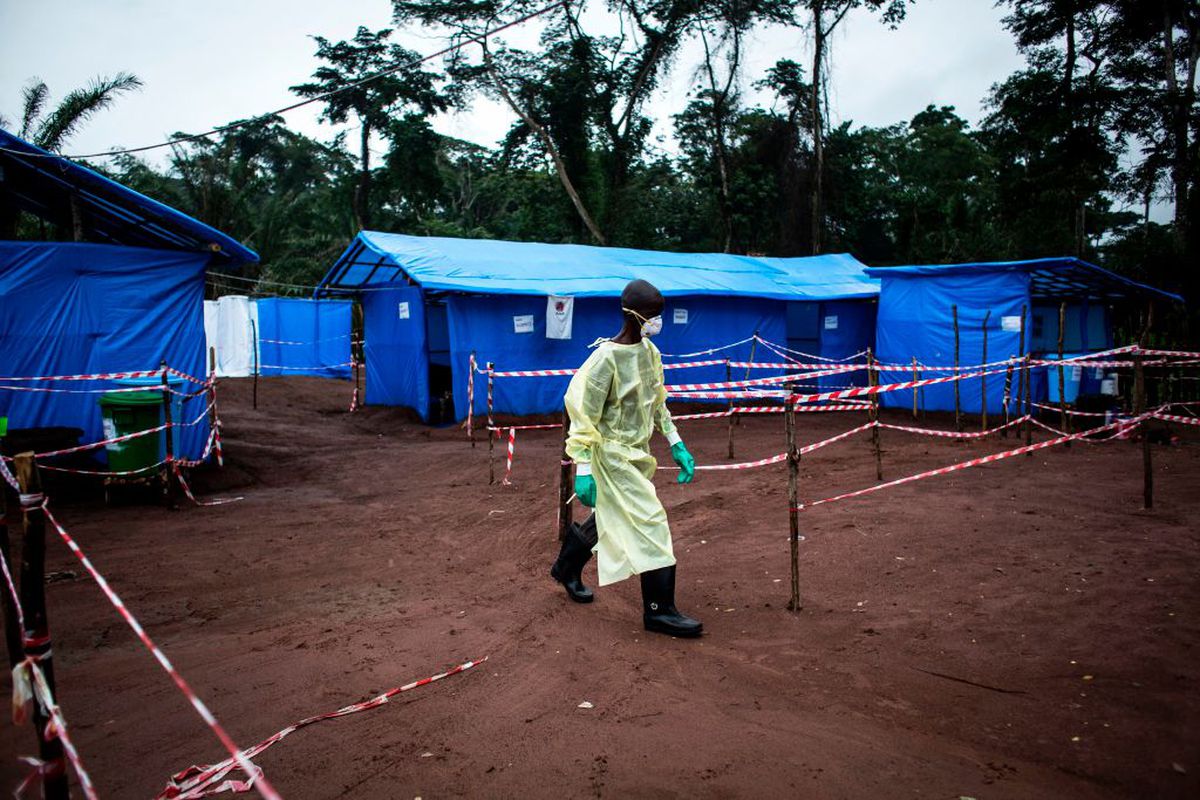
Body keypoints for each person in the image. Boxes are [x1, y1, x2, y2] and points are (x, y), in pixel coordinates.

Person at [549, 279, 703, 638]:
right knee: (651, 519)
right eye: (653, 315)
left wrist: (676, 442)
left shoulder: (650, 353)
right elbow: (582, 414)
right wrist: (583, 468)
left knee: (611, 514)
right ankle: (659, 611)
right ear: (633, 315)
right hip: (611, 455)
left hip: (636, 453)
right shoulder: (605, 360)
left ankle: (566, 568)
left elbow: (657, 401)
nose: (658, 322)